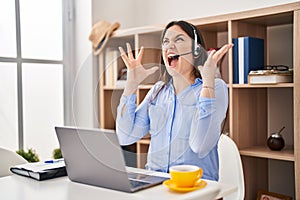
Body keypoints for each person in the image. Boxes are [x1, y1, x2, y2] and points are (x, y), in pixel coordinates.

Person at [116, 20, 233, 181]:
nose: (169, 46)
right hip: (155, 185)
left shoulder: (215, 87)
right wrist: (131, 85)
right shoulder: (158, 91)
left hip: (196, 187)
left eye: (178, 39)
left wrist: (208, 81)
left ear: (196, 50)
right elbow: (125, 137)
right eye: (165, 41)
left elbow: (200, 145)